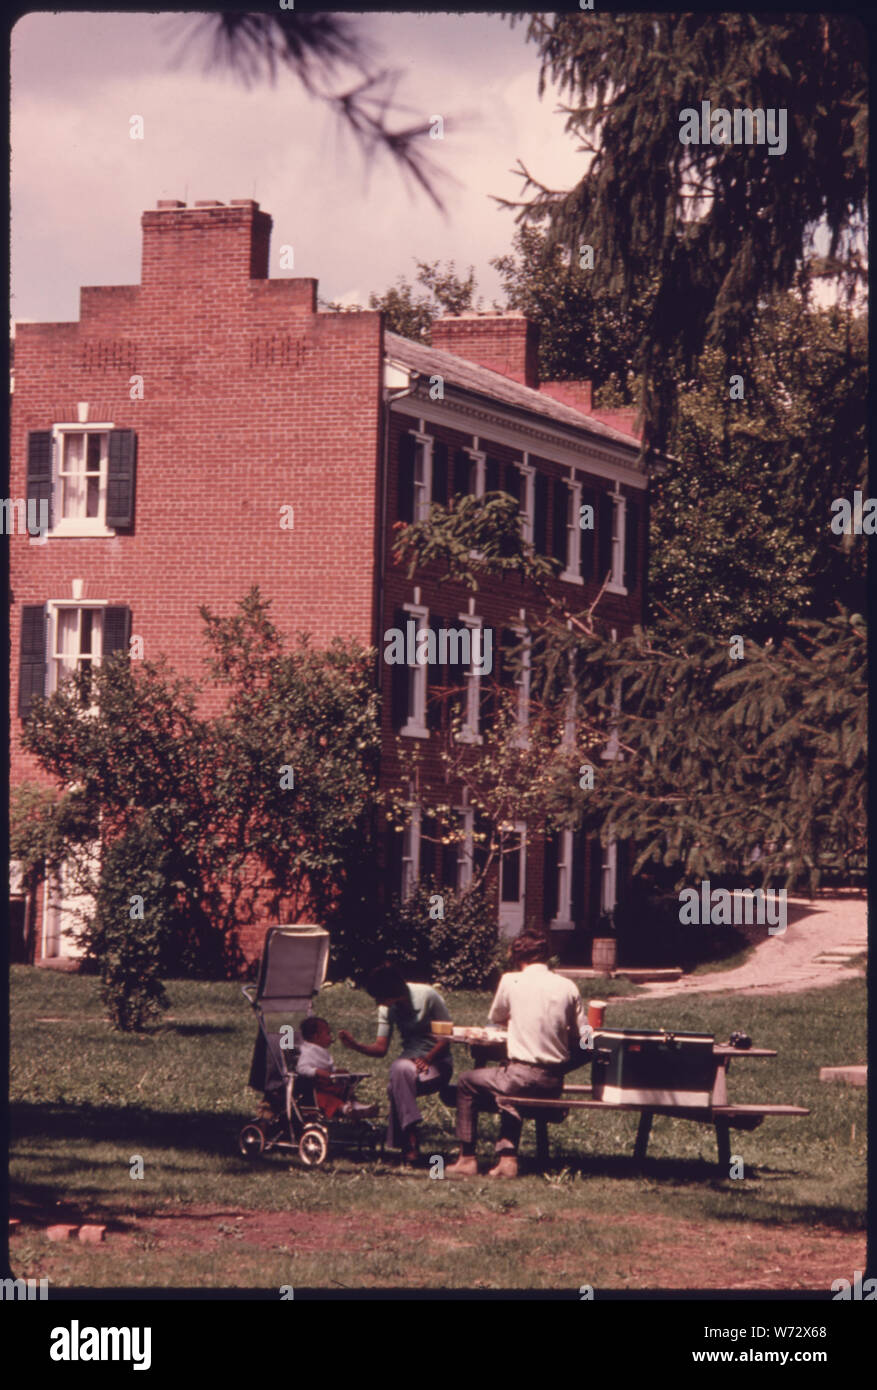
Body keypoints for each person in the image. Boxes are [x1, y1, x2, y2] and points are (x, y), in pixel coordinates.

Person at [445, 931, 592, 1179]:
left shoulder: (510, 981)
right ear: (547, 956)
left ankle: (467, 1158)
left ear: (516, 957)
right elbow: (587, 1039)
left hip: (520, 1076)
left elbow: (497, 1018)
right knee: (508, 1087)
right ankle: (507, 1159)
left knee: (467, 1081)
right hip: (553, 1082)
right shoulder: (568, 986)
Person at [339, 963, 453, 1165]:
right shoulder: (387, 1009)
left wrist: (428, 1058)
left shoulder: (428, 995)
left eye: (380, 998)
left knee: (396, 1081)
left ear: (393, 992)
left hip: (437, 1062)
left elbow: (447, 1037)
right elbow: (381, 1049)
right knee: (399, 1072)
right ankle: (409, 1143)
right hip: (408, 1065)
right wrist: (356, 1046)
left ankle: (408, 1139)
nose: (378, 1004)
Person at [296, 1016, 378, 1120]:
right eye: (328, 1034)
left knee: (343, 1078)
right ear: (316, 1037)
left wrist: (336, 1072)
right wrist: (317, 1072)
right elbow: (301, 1068)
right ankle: (344, 1109)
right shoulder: (308, 1052)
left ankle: (353, 1103)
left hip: (328, 1084)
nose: (331, 1037)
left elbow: (328, 1066)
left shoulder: (320, 1050)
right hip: (315, 1088)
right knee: (327, 1099)